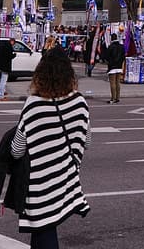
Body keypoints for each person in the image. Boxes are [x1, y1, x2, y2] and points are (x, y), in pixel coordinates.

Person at [12, 49, 91, 248]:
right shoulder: (79, 102)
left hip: (40, 183)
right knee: (45, 230)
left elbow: (17, 149)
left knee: (43, 228)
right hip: (65, 177)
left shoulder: (33, 105)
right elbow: (86, 141)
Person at [104, 35, 125, 104]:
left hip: (112, 67)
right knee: (118, 83)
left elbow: (106, 56)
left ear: (111, 39)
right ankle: (117, 98)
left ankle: (113, 98)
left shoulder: (110, 47)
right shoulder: (122, 46)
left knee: (112, 83)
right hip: (119, 67)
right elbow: (123, 56)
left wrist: (109, 63)